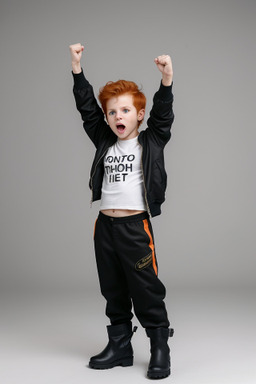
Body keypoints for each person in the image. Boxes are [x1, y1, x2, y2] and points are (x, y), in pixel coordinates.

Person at [69, 43, 175, 379]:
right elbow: (87, 109)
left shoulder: (152, 139)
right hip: (105, 227)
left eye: (126, 111)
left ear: (139, 115)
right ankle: (120, 347)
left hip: (134, 227)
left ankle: (160, 346)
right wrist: (77, 70)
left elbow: (163, 113)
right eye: (113, 112)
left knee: (145, 288)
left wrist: (167, 80)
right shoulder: (104, 139)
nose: (118, 117)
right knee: (112, 287)